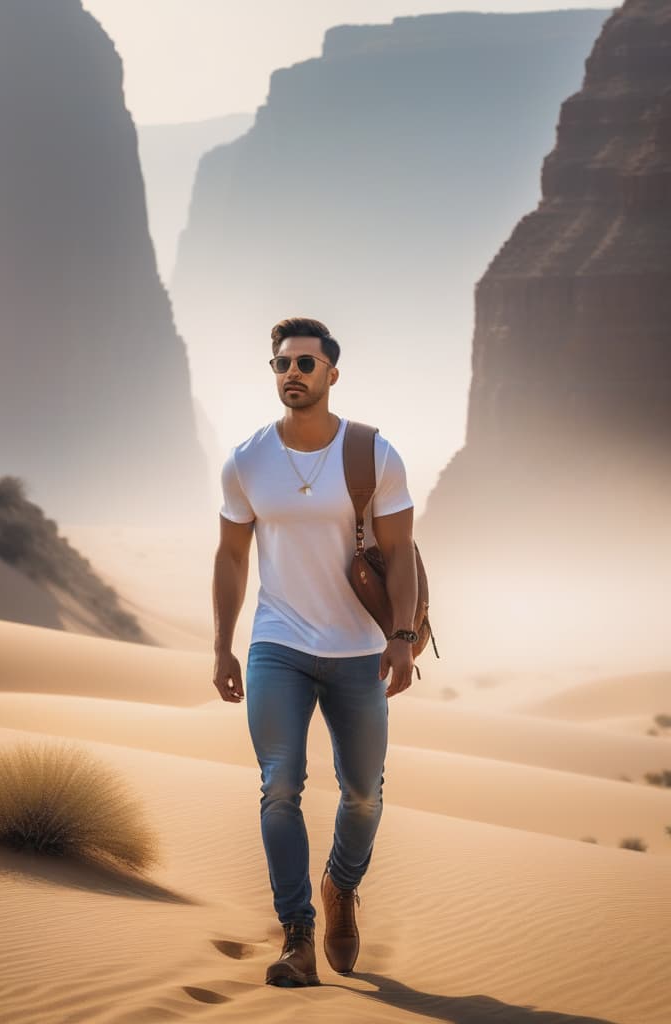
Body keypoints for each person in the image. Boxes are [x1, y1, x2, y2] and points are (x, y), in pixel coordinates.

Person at [212, 316, 417, 987]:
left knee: (363, 794)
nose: (292, 373)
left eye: (305, 363)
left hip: (359, 650)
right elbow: (232, 558)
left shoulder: (374, 455)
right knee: (280, 786)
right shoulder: (246, 461)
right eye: (281, 364)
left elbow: (398, 553)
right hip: (278, 644)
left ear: (332, 372)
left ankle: (340, 886)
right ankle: (297, 934)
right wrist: (224, 645)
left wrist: (403, 638)